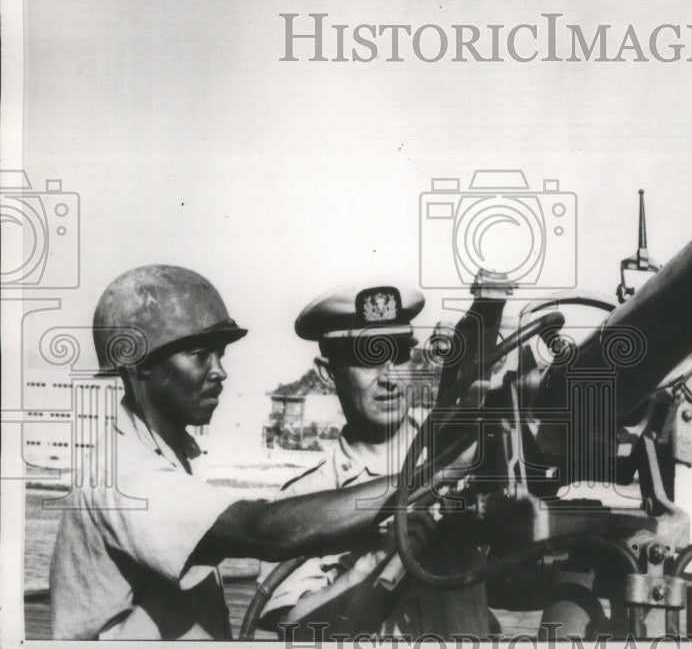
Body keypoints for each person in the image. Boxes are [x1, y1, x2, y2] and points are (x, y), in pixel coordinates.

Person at [49, 265, 461, 640]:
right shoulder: (126, 473)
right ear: (137, 365)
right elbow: (263, 530)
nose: (220, 371)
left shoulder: (166, 461)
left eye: (220, 353)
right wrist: (428, 477)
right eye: (199, 354)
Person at [255, 281, 493, 638]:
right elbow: (293, 633)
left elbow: (519, 588)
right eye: (367, 359)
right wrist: (372, 563)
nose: (389, 378)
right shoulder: (303, 499)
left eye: (398, 355)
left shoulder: (463, 459)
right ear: (327, 371)